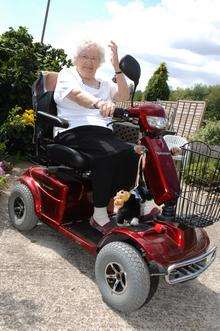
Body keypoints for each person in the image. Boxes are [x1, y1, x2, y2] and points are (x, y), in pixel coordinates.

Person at [54, 40, 139, 233]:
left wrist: (117, 68)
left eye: (94, 58)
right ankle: (98, 215)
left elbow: (124, 96)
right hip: (72, 130)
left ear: (99, 62)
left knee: (130, 153)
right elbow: (77, 95)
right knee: (107, 155)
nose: (89, 62)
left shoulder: (105, 84)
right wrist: (99, 103)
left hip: (101, 133)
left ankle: (115, 203)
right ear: (76, 58)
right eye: (84, 56)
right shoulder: (67, 75)